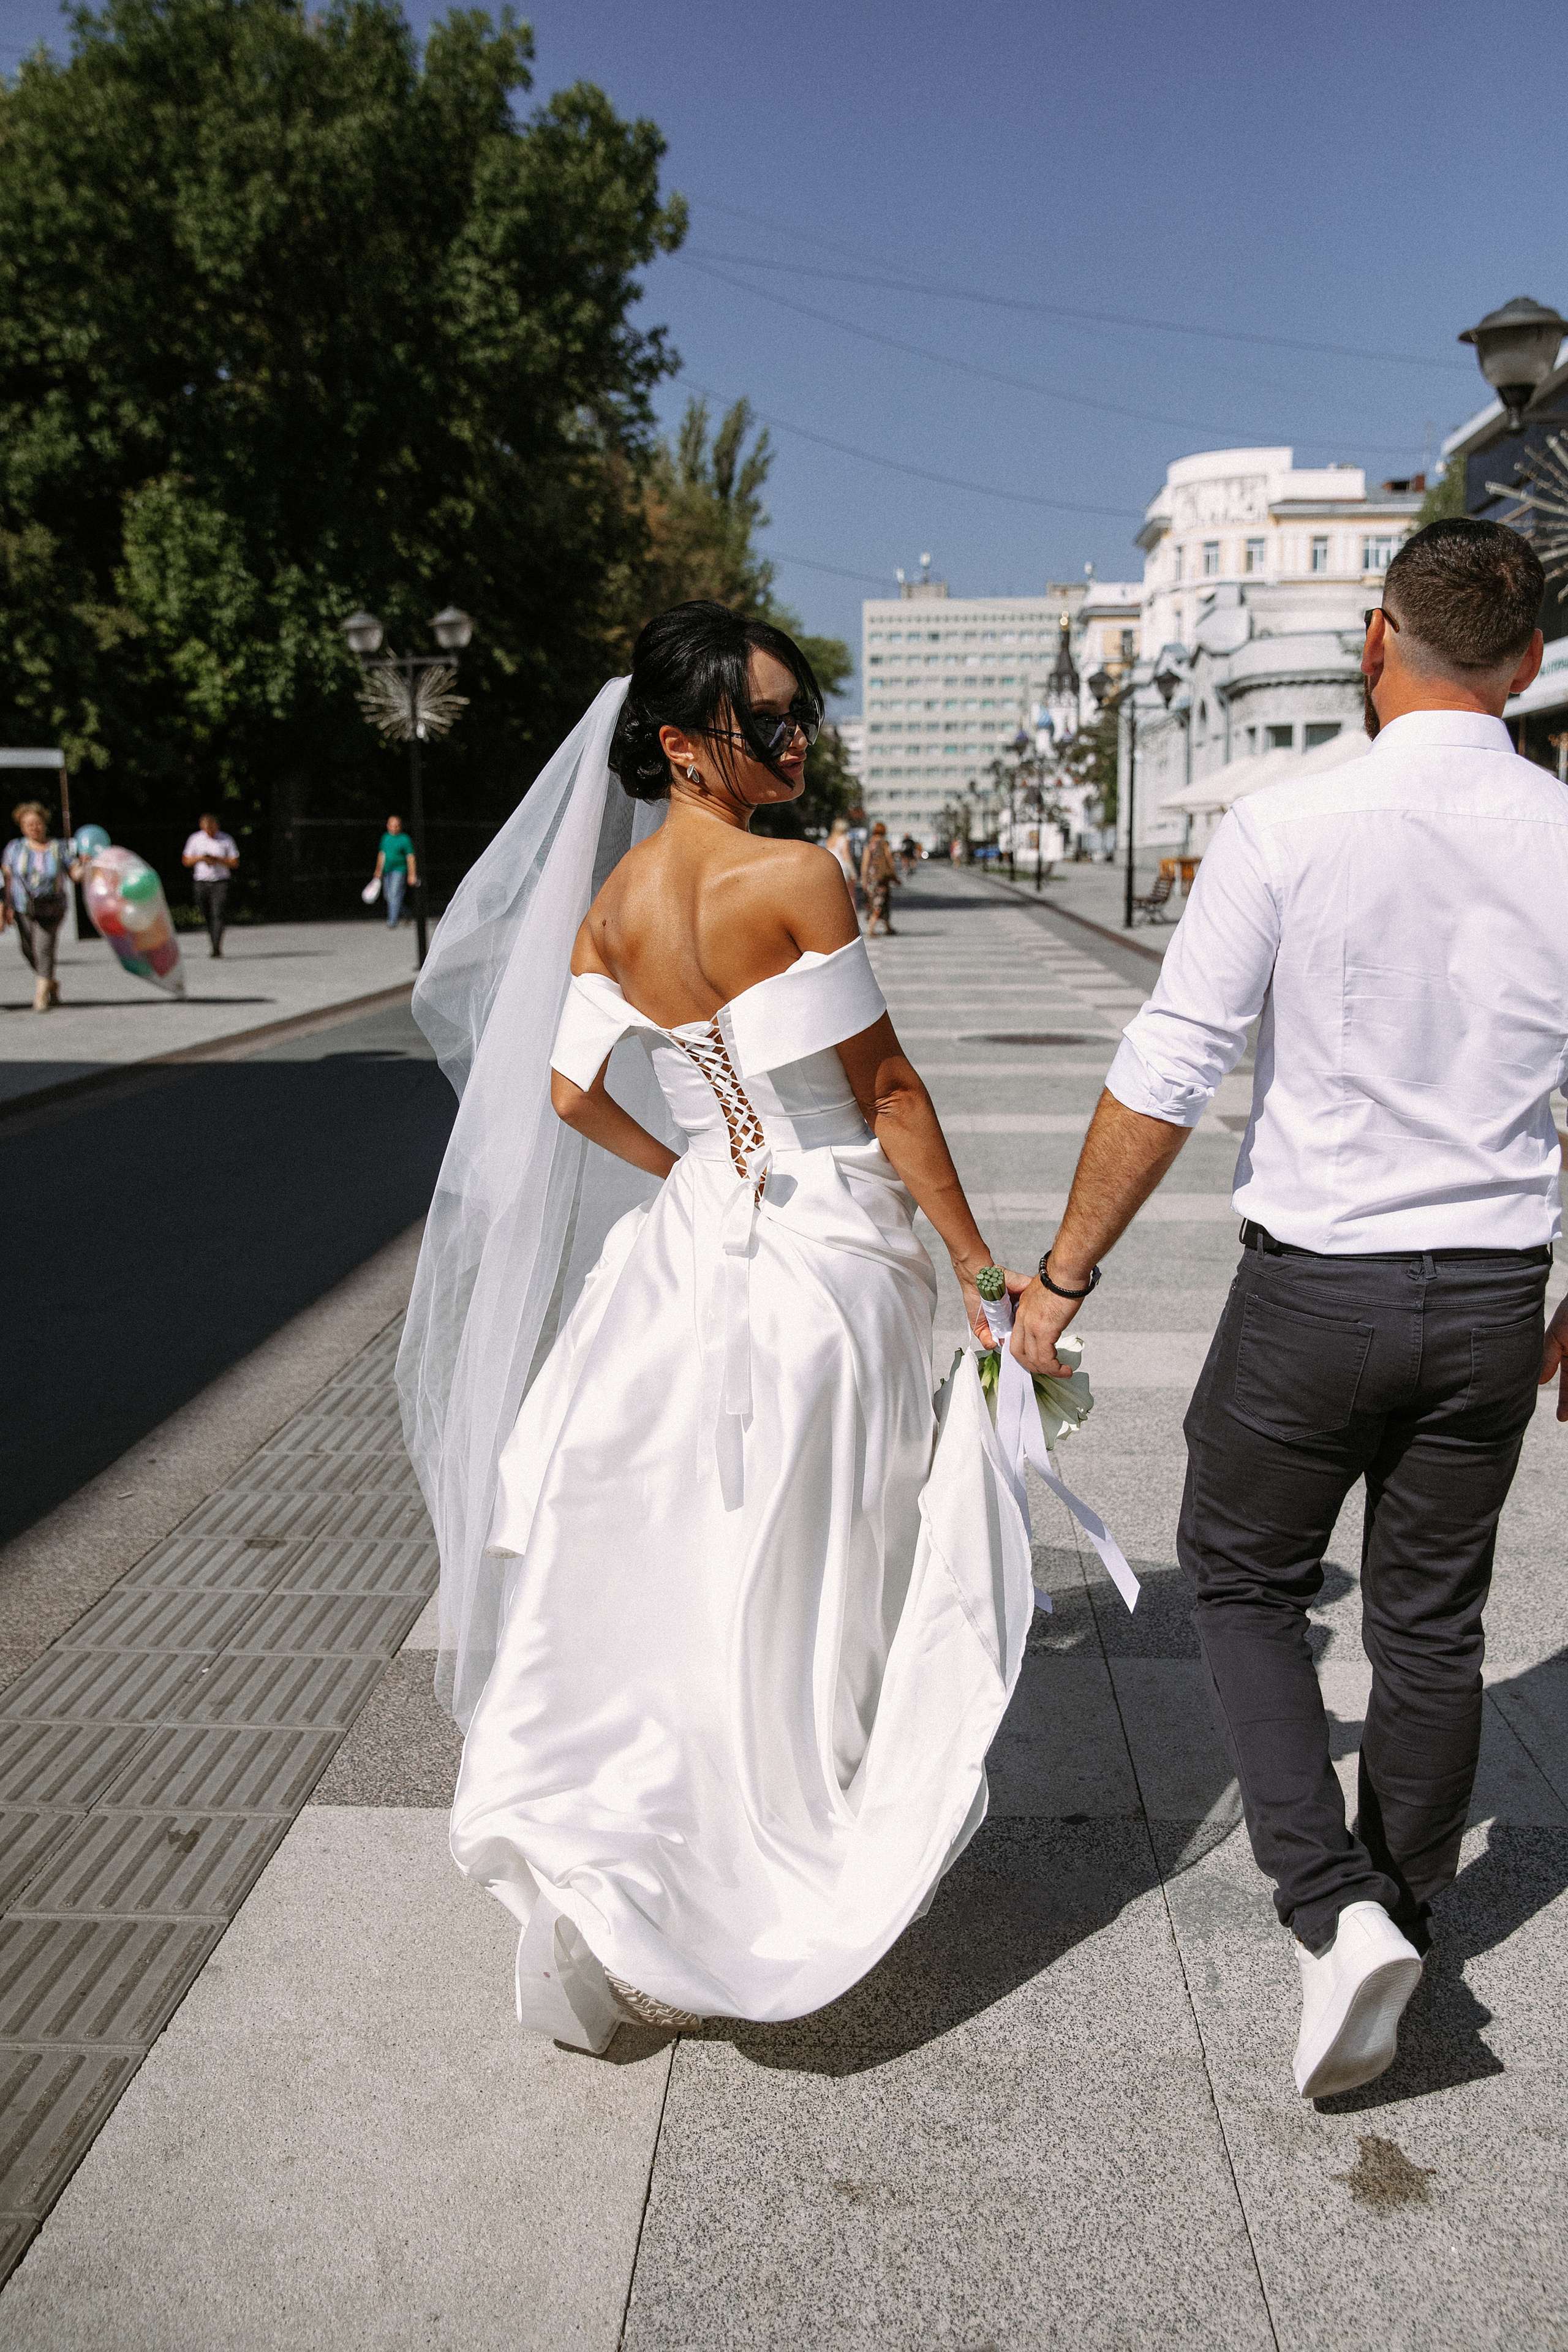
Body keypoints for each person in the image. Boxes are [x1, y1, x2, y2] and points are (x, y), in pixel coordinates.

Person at [399, 601, 1033, 2051]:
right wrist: (986, 1272)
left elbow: (565, 1095)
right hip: (822, 1251)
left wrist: (690, 1161)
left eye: (802, 710)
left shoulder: (612, 906)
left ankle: (661, 1807)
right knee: (825, 1537)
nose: (799, 737)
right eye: (771, 718)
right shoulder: (795, 875)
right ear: (683, 743)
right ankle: (797, 1801)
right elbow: (881, 1093)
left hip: (687, 1248)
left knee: (702, 1537)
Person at [1009, 518, 1567, 2101]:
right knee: (1432, 1623)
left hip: (1314, 1294)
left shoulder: (1289, 823)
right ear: (1527, 667)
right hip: (1488, 1298)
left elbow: (1170, 1069)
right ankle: (1405, 1913)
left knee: (1246, 1585)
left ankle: (1332, 1917)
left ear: (1376, 644)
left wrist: (1062, 1281)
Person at [2, 802, 83, 1011]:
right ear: (22, 827)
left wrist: (85, 865)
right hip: (23, 907)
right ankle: (51, 983)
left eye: (37, 823)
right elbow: (7, 879)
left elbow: (75, 874)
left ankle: (40, 996)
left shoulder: (59, 847)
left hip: (52, 907)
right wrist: (5, 907)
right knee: (28, 950)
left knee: (43, 948)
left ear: (44, 823)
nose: (34, 828)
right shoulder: (14, 848)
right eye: (28, 824)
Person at [181, 813, 239, 956]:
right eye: (207, 830)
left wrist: (218, 860)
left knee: (218, 913)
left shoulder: (226, 839)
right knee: (206, 913)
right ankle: (213, 937)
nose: (210, 833)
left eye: (212, 829)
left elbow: (235, 862)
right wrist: (201, 858)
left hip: (220, 882)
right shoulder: (195, 839)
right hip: (201, 881)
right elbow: (186, 861)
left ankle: (216, 947)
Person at [372, 815, 416, 927]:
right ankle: (407, 914)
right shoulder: (386, 838)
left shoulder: (405, 839)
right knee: (388, 896)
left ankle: (392, 921)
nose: (394, 828)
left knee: (394, 894)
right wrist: (378, 870)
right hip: (387, 870)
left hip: (399, 870)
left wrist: (412, 874)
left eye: (396, 826)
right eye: (392, 826)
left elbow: (410, 857)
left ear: (400, 826)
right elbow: (382, 855)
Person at [861, 819, 899, 935]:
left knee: (876, 900)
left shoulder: (869, 843)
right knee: (881, 901)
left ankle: (888, 927)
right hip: (882, 877)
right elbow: (889, 859)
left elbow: (865, 862)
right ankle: (871, 928)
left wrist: (864, 879)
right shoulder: (884, 842)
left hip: (871, 877)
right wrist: (893, 874)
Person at [824, 814, 860, 918]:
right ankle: (853, 920)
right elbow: (846, 855)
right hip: (843, 868)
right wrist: (853, 872)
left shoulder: (830, 839)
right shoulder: (845, 838)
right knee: (850, 895)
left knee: (835, 895)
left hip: (831, 868)